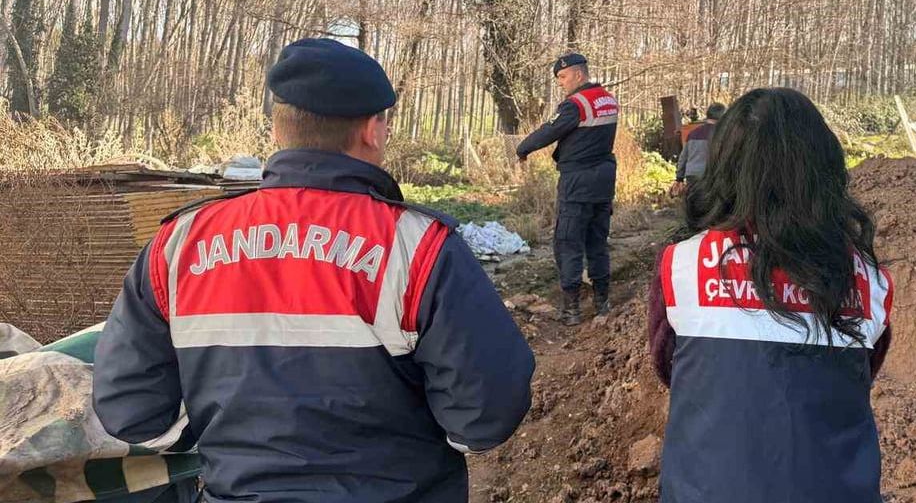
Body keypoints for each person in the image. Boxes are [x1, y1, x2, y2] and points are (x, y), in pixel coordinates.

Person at [93, 38, 536, 503]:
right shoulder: (417, 246)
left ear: (277, 131)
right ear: (372, 130)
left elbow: (132, 408)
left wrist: (218, 440)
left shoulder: (178, 245)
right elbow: (486, 414)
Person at [647, 87, 894, 502]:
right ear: (824, 169)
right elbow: (860, 377)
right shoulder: (867, 280)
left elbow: (671, 367)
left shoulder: (680, 266)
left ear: (724, 166)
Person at [516, 53, 619, 325]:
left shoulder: (576, 104)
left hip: (578, 181)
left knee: (568, 241)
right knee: (597, 242)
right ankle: (602, 302)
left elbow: (550, 130)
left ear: (578, 74)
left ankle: (571, 310)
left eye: (562, 77)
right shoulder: (608, 99)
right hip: (604, 180)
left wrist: (522, 149)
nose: (560, 83)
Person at [670, 101, 724, 195]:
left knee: (694, 204)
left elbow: (683, 157)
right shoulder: (722, 135)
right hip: (711, 176)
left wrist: (679, 177)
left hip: (692, 175)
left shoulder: (692, 134)